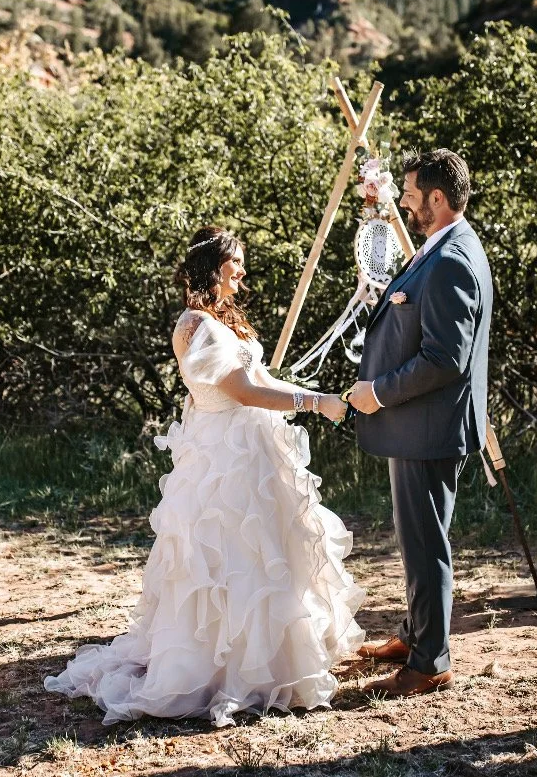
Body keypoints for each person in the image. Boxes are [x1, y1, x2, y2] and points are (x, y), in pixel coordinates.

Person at [46, 226, 364, 727]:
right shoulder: (196, 324)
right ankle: (225, 668)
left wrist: (318, 398)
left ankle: (273, 656)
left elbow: (261, 380)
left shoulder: (220, 322)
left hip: (251, 448)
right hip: (226, 457)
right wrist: (312, 403)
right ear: (216, 267)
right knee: (230, 556)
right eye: (236, 262)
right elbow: (241, 391)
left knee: (265, 553)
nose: (242, 271)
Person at [349, 148, 493, 698]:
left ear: (437, 197)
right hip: (420, 424)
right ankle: (415, 636)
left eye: (410, 196)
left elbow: (444, 358)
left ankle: (431, 662)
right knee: (414, 540)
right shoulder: (443, 246)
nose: (404, 204)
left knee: (426, 543)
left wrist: (378, 392)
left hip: (428, 425)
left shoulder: (454, 257)